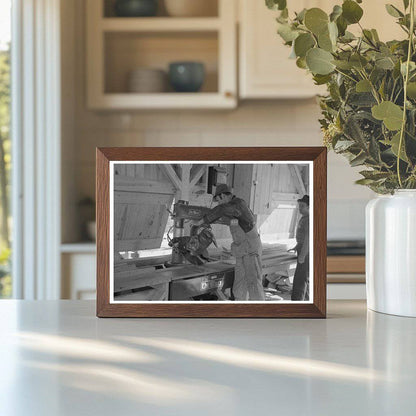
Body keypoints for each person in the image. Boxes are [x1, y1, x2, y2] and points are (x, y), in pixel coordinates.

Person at [197, 184, 265, 301]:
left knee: (253, 284)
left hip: (250, 249)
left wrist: (202, 221)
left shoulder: (238, 204)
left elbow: (221, 209)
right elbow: (226, 217)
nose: (219, 203)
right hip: (241, 250)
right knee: (239, 285)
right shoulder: (234, 211)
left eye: (218, 200)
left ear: (223, 195)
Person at [291, 195, 310, 301]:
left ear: (309, 207)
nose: (300, 208)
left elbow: (309, 239)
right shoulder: (304, 218)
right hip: (302, 248)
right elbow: (303, 237)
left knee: (300, 279)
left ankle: (297, 303)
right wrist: (297, 246)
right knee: (304, 278)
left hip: (306, 252)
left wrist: (302, 255)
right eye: (299, 206)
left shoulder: (309, 220)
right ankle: (305, 300)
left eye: (302, 206)